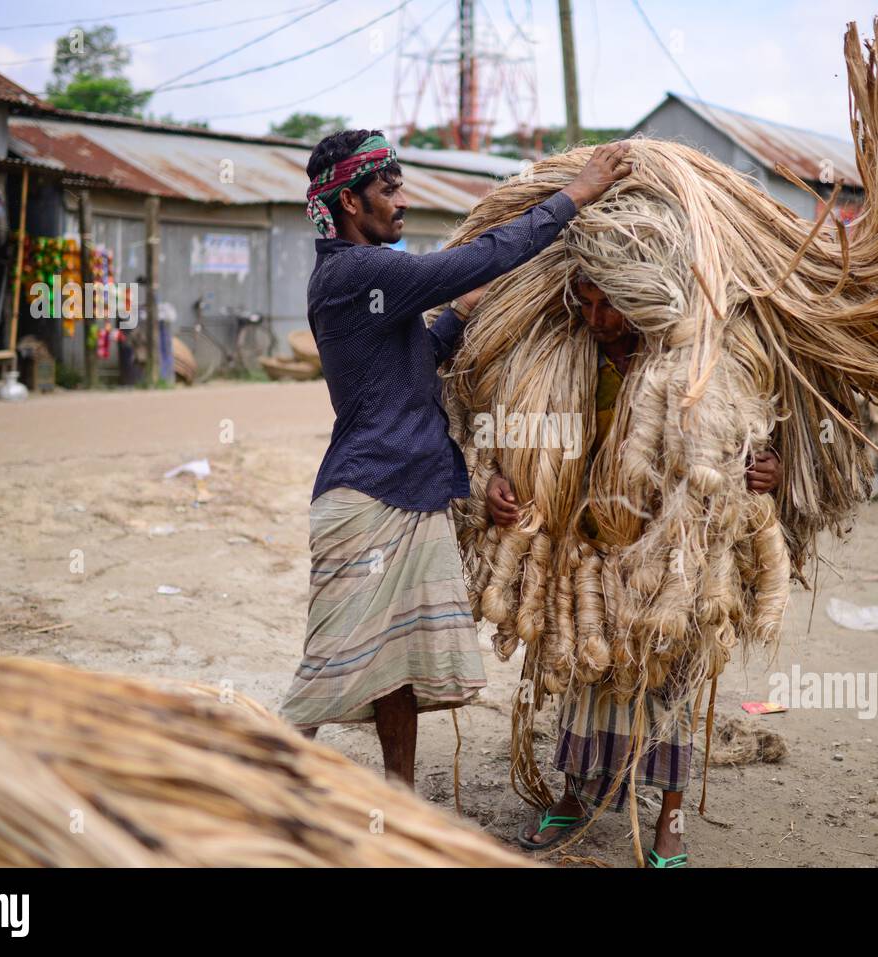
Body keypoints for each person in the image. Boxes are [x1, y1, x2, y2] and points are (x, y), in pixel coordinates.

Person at [277, 130, 633, 788]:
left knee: (399, 666)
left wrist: (458, 318)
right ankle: (260, 798)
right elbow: (479, 256)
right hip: (366, 502)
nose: (403, 202)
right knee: (327, 664)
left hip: (408, 495)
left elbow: (414, 366)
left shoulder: (365, 282)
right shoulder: (355, 273)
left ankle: (400, 799)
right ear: (351, 203)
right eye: (389, 190)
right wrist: (576, 193)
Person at [486, 278, 780, 866]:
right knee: (584, 675)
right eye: (587, 304)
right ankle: (575, 794)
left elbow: (752, 439)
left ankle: (669, 818)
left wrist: (768, 466)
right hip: (590, 542)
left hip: (673, 553)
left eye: (609, 306)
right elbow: (508, 429)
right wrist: (496, 474)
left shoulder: (690, 363)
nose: (597, 318)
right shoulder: (564, 358)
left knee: (670, 683)